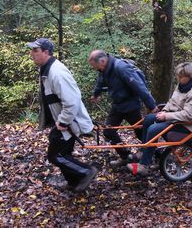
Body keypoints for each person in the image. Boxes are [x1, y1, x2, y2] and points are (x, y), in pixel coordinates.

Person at [28, 38, 97, 193]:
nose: (31, 54)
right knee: (63, 153)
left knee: (55, 155)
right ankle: (75, 183)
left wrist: (63, 122)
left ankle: (86, 172)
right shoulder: (47, 68)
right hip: (63, 120)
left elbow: (72, 100)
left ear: (46, 52)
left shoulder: (56, 72)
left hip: (69, 122)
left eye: (35, 50)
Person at [127, 62, 192, 176]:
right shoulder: (181, 86)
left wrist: (166, 116)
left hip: (188, 124)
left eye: (181, 77)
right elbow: (172, 102)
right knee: (149, 119)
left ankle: (144, 165)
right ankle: (144, 151)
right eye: (178, 76)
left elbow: (188, 115)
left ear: (189, 77)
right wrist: (164, 111)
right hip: (175, 118)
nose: (178, 79)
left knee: (153, 129)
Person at [88, 50, 158, 167]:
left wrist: (152, 105)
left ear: (103, 61)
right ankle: (126, 156)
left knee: (141, 133)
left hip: (131, 105)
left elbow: (139, 87)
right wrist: (96, 94)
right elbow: (100, 81)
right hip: (117, 106)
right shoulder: (103, 69)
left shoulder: (121, 68)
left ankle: (158, 156)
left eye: (95, 67)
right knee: (109, 132)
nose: (95, 69)